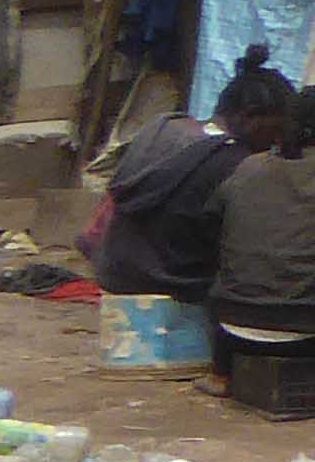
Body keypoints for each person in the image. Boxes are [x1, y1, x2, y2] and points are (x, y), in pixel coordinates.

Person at [91, 56, 294, 297]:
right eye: (276, 130)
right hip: (172, 285)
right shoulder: (237, 163)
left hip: (115, 273)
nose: (277, 141)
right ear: (251, 117)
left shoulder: (166, 125)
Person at [214, 88, 315, 342]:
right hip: (303, 327)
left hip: (231, 323)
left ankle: (219, 375)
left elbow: (209, 225)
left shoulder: (250, 166)